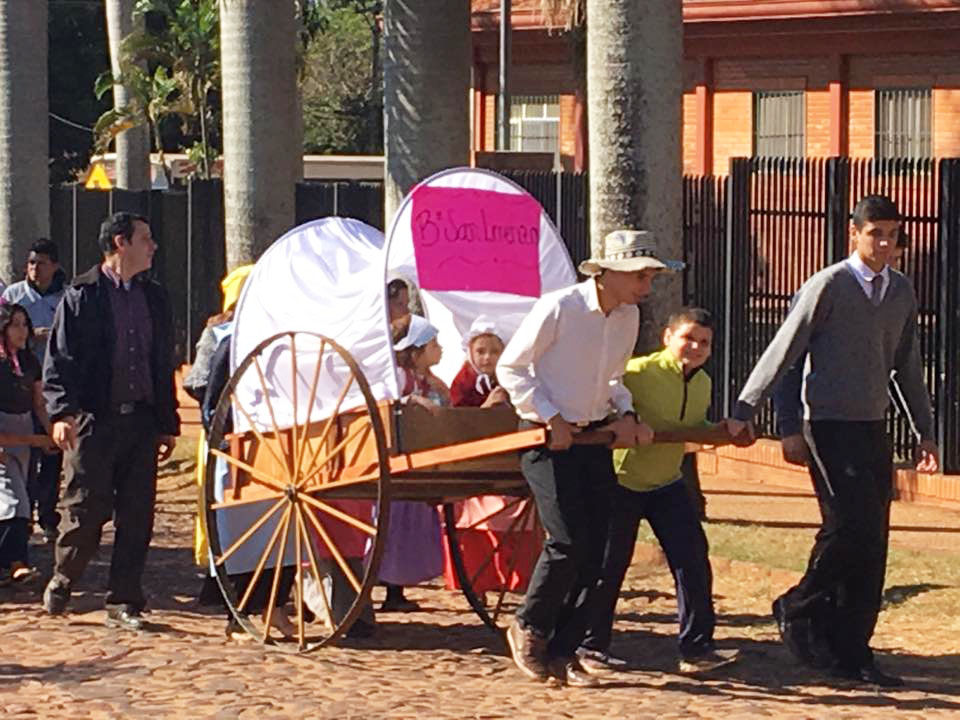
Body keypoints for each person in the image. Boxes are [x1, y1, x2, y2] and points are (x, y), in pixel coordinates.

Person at [727, 195, 939, 687]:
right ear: (854, 233)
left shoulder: (901, 291)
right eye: (875, 233)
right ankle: (799, 605)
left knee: (873, 536)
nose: (884, 243)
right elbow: (784, 348)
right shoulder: (827, 285)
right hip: (826, 423)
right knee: (847, 525)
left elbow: (907, 365)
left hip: (872, 424)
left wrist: (925, 432)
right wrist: (746, 408)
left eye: (892, 235)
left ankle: (852, 651)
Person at [497, 229, 678, 687]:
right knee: (566, 539)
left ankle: (564, 651)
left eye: (649, 276)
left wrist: (627, 414)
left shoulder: (629, 317)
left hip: (593, 439)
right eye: (639, 275)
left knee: (599, 549)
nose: (646, 285)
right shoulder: (560, 307)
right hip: (545, 439)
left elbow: (614, 380)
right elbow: (511, 367)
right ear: (607, 272)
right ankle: (529, 626)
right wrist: (552, 417)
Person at [579, 308, 743, 675]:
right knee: (609, 566)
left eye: (704, 343)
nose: (696, 347)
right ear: (667, 337)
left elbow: (692, 426)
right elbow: (602, 402)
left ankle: (697, 649)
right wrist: (628, 422)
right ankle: (590, 647)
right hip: (621, 481)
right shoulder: (636, 372)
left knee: (692, 558)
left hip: (667, 482)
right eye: (688, 338)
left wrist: (721, 430)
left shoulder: (703, 383)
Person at [41, 212, 179, 631]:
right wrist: (61, 413)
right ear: (121, 242)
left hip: (141, 423)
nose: (153, 246)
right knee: (85, 509)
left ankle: (124, 600)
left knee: (137, 515)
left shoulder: (155, 297)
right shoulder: (81, 296)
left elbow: (162, 363)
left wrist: (167, 422)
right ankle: (64, 577)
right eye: (145, 238)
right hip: (94, 421)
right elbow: (59, 359)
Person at [443, 317, 537, 600]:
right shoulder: (462, 382)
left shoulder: (509, 379)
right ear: (470, 353)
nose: (487, 358)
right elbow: (458, 419)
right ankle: (475, 579)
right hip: (472, 455)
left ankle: (513, 575)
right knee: (472, 518)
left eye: (494, 352)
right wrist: (487, 407)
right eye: (481, 351)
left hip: (505, 453)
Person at [378, 314, 446, 611]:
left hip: (420, 459)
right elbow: (385, 401)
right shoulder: (399, 377)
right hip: (399, 459)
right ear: (416, 352)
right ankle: (389, 588)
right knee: (394, 526)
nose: (440, 349)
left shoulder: (428, 381)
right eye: (434, 344)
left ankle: (398, 589)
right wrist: (413, 401)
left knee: (409, 527)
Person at [2, 239, 67, 542]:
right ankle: (21, 522)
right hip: (16, 387)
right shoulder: (12, 296)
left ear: (54, 266)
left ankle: (48, 516)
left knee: (51, 453)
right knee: (20, 465)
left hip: (52, 385)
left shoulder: (66, 298)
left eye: (41, 263)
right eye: (31, 262)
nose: (34, 268)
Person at [0, 303, 54, 585]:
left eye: (25, 324)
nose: (22, 331)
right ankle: (17, 562)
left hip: (24, 432)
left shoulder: (30, 361)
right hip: (4, 434)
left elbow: (39, 403)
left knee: (21, 497)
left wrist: (51, 433)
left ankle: (9, 563)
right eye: (15, 325)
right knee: (13, 500)